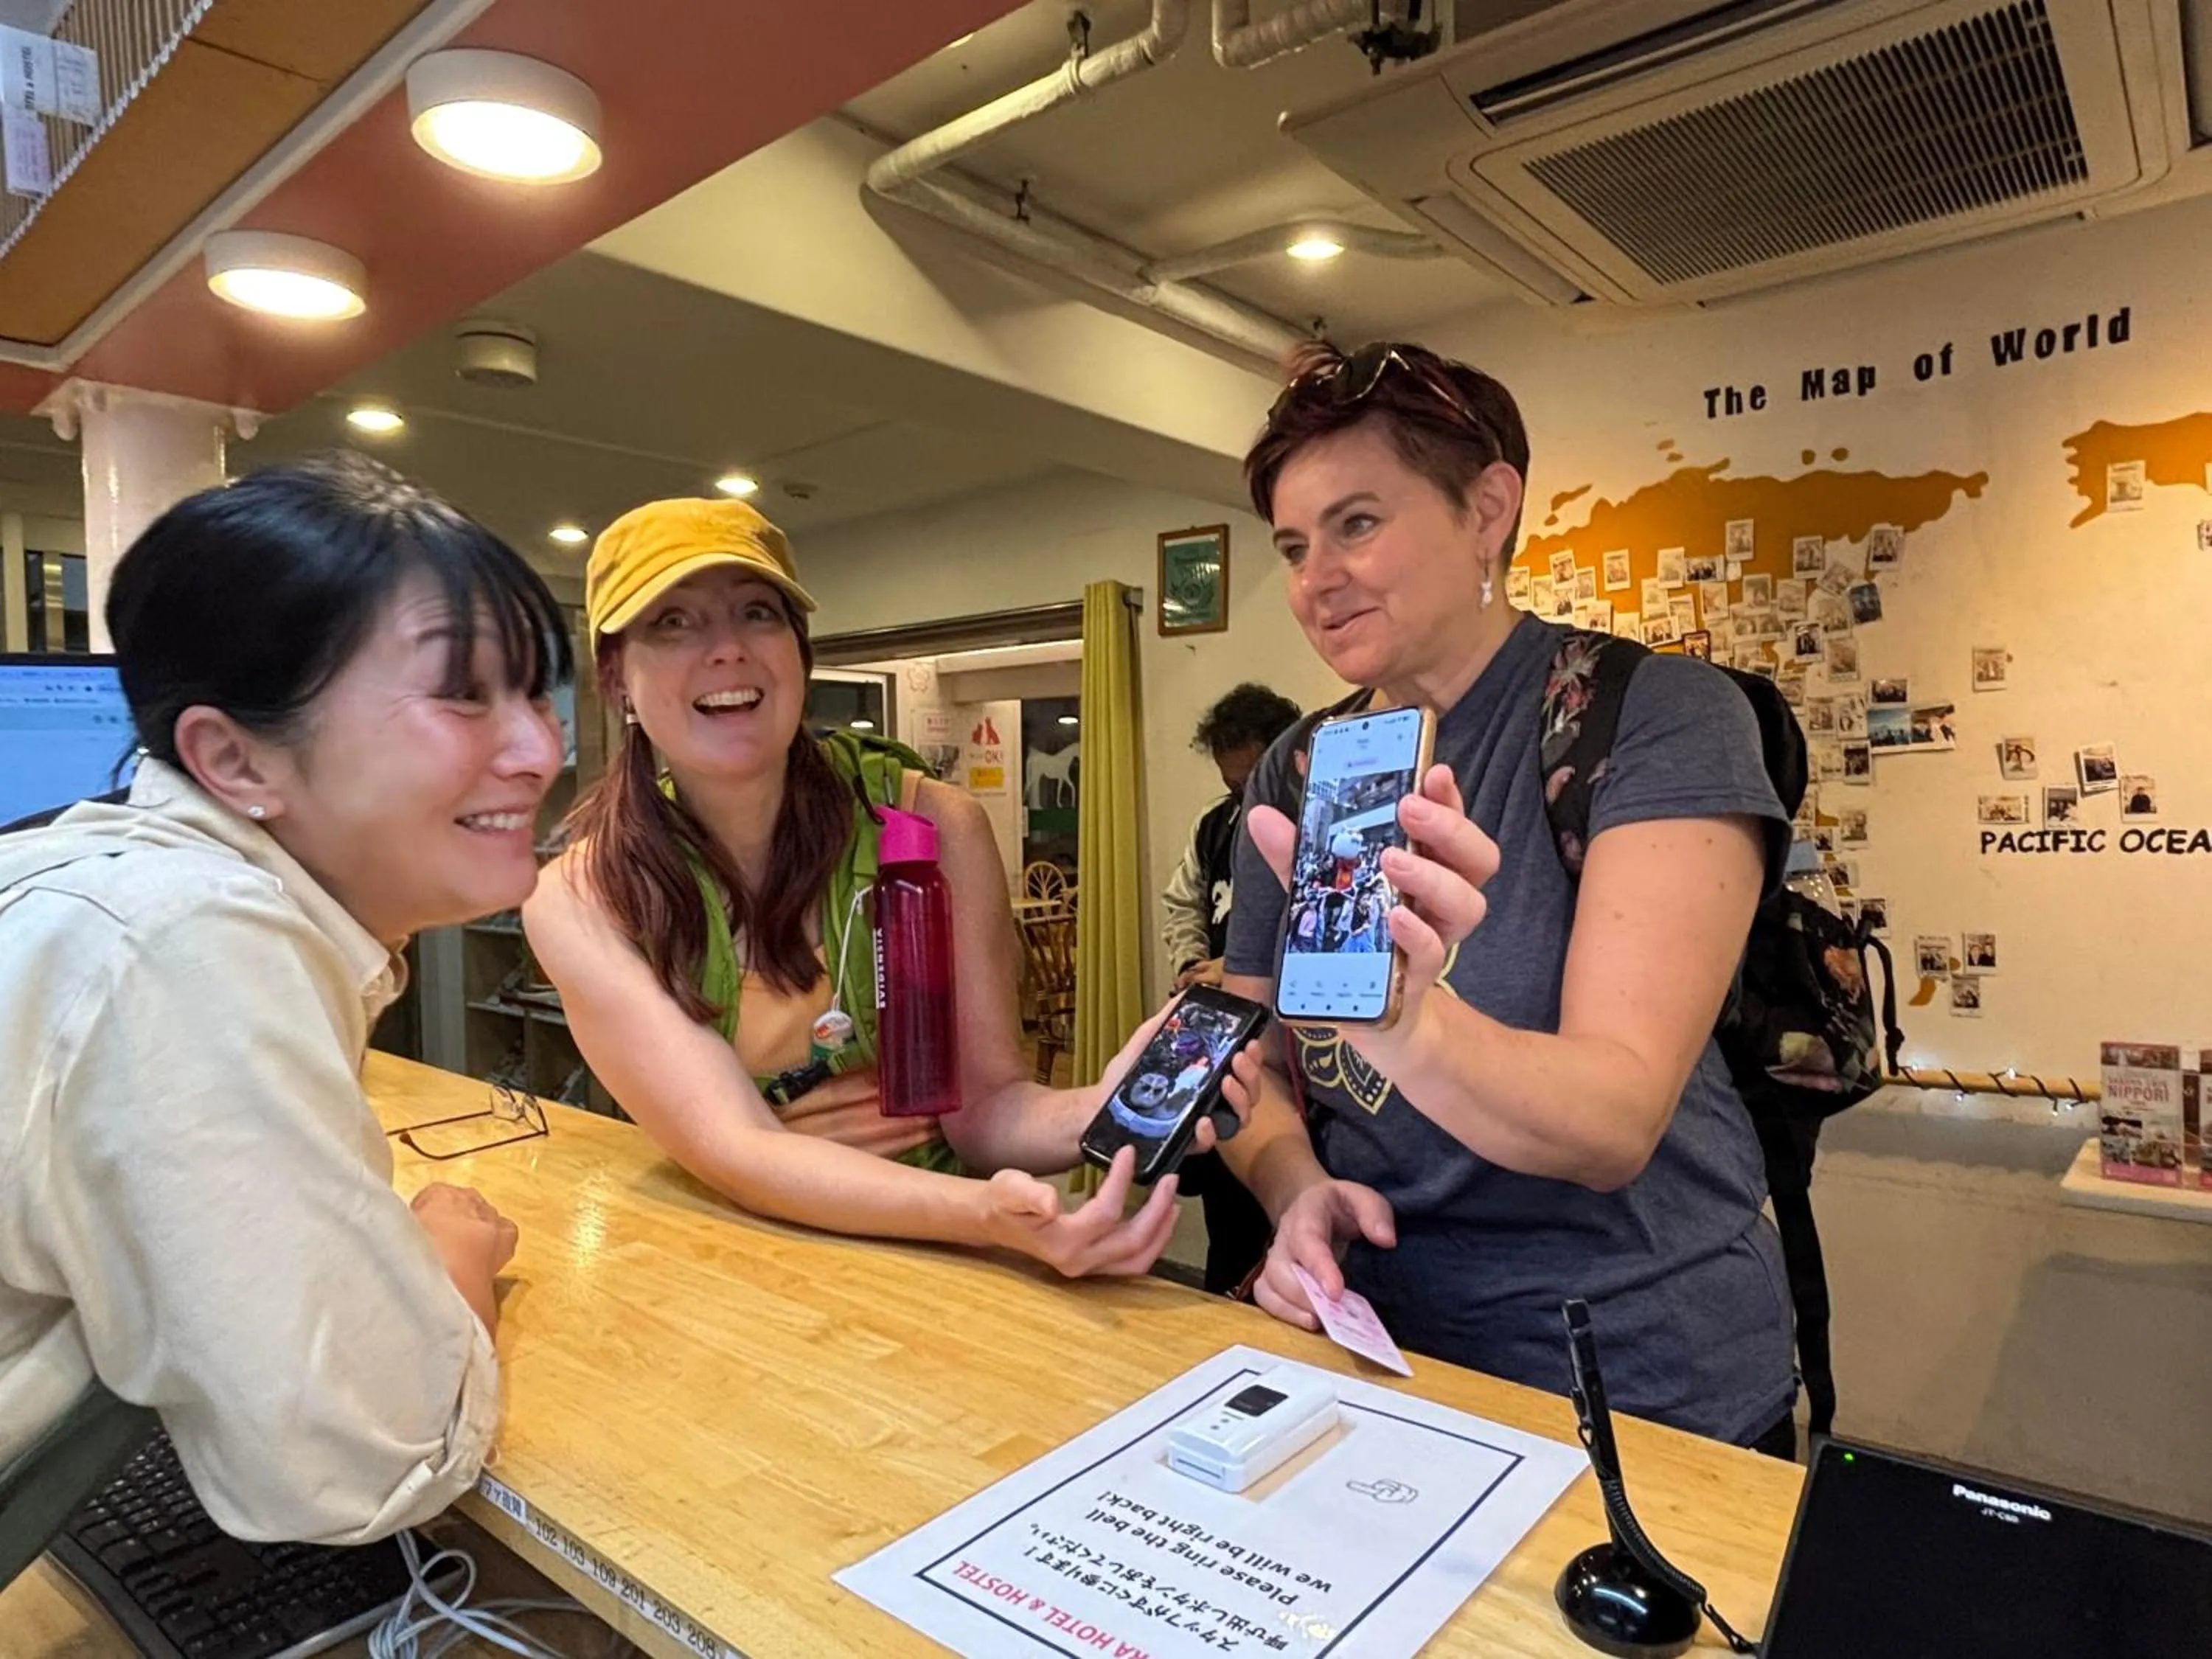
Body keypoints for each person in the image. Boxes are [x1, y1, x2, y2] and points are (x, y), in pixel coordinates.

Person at [1217, 341, 1798, 1453]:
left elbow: (1611, 1121)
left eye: (1357, 524)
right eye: (1294, 545)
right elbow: (1251, 1066)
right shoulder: (1297, 771)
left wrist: (1403, 1018)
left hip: (1635, 1389)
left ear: (1489, 508)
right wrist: (1296, 1189)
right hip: (1375, 1363)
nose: (1313, 579)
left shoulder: (1657, 718)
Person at [0, 455, 563, 1544]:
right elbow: (357, 1458)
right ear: (234, 757)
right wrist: (452, 1251)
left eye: (533, 689)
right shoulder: (182, 938)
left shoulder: (122, 885)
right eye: (460, 692)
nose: (541, 748)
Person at [524, 498, 1256, 1277]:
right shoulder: (581, 899)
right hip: (733, 1265)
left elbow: (985, 1115)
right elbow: (740, 1149)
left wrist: (1103, 1103)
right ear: (617, 678)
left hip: (942, 1266)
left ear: (799, 653)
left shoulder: (934, 828)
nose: (728, 649)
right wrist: (984, 1216)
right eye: (673, 623)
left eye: (757, 613)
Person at [1160, 684, 1299, 1294]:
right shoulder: (1214, 825)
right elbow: (1182, 901)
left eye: (1252, 779)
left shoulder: (1318, 824)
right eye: (1232, 783)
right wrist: (1194, 959)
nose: (1242, 795)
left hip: (1294, 1058)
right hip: (1222, 1044)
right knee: (1227, 1204)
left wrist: (1236, 964)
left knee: (1287, 1216)